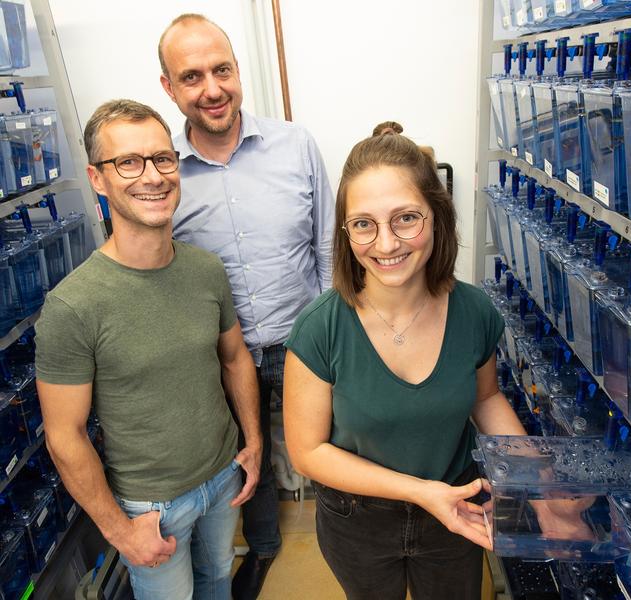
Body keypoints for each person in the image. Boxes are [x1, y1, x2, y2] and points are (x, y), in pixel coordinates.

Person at [282, 122, 529, 600]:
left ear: (436, 216)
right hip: (358, 521)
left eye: (406, 218)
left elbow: (487, 398)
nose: (387, 244)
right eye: (363, 224)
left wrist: (534, 481)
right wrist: (420, 492)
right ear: (346, 231)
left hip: (456, 510)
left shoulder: (473, 311)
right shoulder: (320, 328)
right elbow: (307, 452)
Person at [34, 99, 262, 600]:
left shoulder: (205, 270)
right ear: (97, 178)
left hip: (223, 476)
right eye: (129, 163)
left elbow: (235, 357)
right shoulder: (73, 306)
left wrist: (253, 441)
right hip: (151, 508)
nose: (153, 176)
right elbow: (64, 436)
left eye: (163, 158)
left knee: (219, 580)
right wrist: (120, 532)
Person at [157, 14, 335, 597]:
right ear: (169, 87)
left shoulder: (295, 144)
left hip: (305, 338)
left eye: (221, 70)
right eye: (192, 76)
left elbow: (328, 243)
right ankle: (262, 551)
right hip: (221, 352)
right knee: (246, 461)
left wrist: (341, 332)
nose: (211, 89)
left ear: (238, 71)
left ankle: (346, 546)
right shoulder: (162, 172)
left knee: (334, 446)